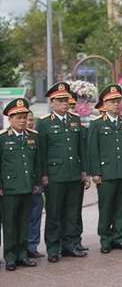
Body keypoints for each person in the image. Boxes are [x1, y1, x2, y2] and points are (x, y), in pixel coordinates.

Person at [37, 82, 88, 262]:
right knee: (54, 213)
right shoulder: (43, 123)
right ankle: (53, 248)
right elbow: (41, 152)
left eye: (66, 100)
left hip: (74, 173)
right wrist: (43, 175)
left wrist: (84, 171)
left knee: (72, 212)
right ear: (52, 102)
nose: (64, 103)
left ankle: (70, 245)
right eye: (60, 100)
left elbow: (81, 148)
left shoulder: (75, 120)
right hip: (55, 175)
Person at [88, 84, 122, 253]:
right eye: (112, 102)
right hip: (106, 173)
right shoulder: (96, 124)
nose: (116, 104)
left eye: (118, 101)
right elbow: (93, 150)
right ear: (105, 105)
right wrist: (95, 172)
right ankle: (106, 240)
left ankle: (120, 238)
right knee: (106, 207)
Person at [0, 98, 41, 271]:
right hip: (9, 189)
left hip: (27, 186)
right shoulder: (2, 138)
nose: (23, 120)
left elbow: (37, 162)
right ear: (10, 119)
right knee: (10, 224)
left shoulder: (33, 136)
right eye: (18, 117)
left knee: (24, 222)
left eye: (25, 117)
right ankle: (10, 257)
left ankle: (22, 255)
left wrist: (37, 182)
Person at [69, 91, 90, 253]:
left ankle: (76, 240)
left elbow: (83, 151)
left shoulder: (78, 125)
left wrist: (85, 172)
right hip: (60, 175)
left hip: (77, 174)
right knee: (61, 212)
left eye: (71, 105)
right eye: (66, 104)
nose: (69, 107)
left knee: (76, 211)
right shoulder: (48, 123)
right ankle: (64, 243)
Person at [25, 111, 45, 260]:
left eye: (31, 120)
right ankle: (17, 248)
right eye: (25, 119)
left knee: (35, 216)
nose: (28, 122)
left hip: (35, 186)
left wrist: (39, 182)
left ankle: (32, 247)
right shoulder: (5, 137)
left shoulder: (35, 137)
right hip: (17, 187)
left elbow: (40, 162)